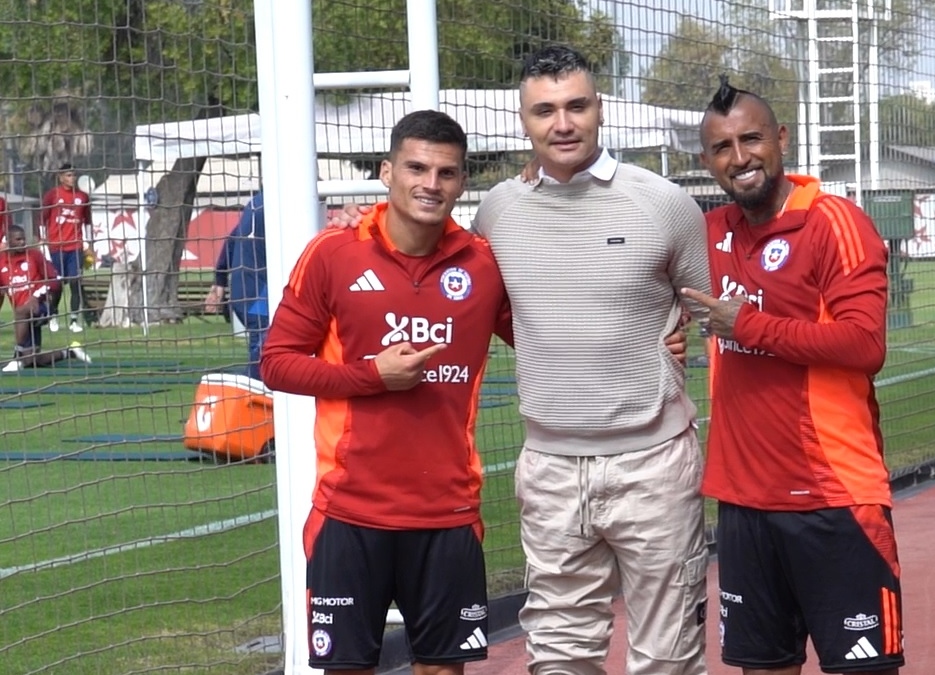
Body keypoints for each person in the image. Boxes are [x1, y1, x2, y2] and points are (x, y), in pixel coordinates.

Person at [331, 45, 712, 675]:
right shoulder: (497, 212)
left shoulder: (666, 204)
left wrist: (680, 345)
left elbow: (706, 313)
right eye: (545, 110)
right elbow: (430, 257)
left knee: (668, 656)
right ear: (523, 121)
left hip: (654, 462)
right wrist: (359, 223)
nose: (562, 123)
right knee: (559, 655)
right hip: (550, 469)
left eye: (576, 106)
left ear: (599, 109)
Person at [260, 110, 513, 675]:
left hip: (447, 515)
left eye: (447, 172)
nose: (431, 183)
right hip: (349, 515)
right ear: (386, 171)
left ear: (462, 181)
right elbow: (276, 365)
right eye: (416, 167)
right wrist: (372, 377)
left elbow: (547, 343)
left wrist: (656, 332)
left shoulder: (484, 263)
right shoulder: (332, 254)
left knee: (443, 669)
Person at [679, 78, 904, 675]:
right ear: (707, 161)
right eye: (722, 147)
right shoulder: (708, 233)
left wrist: (748, 325)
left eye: (751, 139)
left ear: (781, 138)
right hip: (744, 503)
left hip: (835, 498)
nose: (740, 157)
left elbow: (865, 343)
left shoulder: (835, 222)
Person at [1, 225, 91, 371]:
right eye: (18, 239)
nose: (22, 242)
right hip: (23, 320)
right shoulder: (1, 262)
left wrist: (37, 296)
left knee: (21, 312)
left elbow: (55, 280)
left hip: (42, 307)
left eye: (23, 238)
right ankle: (69, 352)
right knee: (31, 361)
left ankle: (17, 356)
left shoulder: (34, 256)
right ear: (8, 241)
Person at [206, 192, 270, 379]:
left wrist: (219, 281)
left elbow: (231, 240)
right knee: (265, 350)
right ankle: (253, 398)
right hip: (259, 296)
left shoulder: (255, 204)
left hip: (243, 294)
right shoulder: (276, 205)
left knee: (262, 347)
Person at [40, 162, 93, 333]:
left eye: (74, 175)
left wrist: (88, 243)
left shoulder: (83, 197)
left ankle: (74, 320)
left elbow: (87, 221)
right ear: (61, 177)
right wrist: (43, 241)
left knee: (75, 282)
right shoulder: (52, 195)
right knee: (57, 284)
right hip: (56, 246)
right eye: (69, 175)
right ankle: (53, 315)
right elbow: (42, 218)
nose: (72, 178)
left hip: (75, 246)